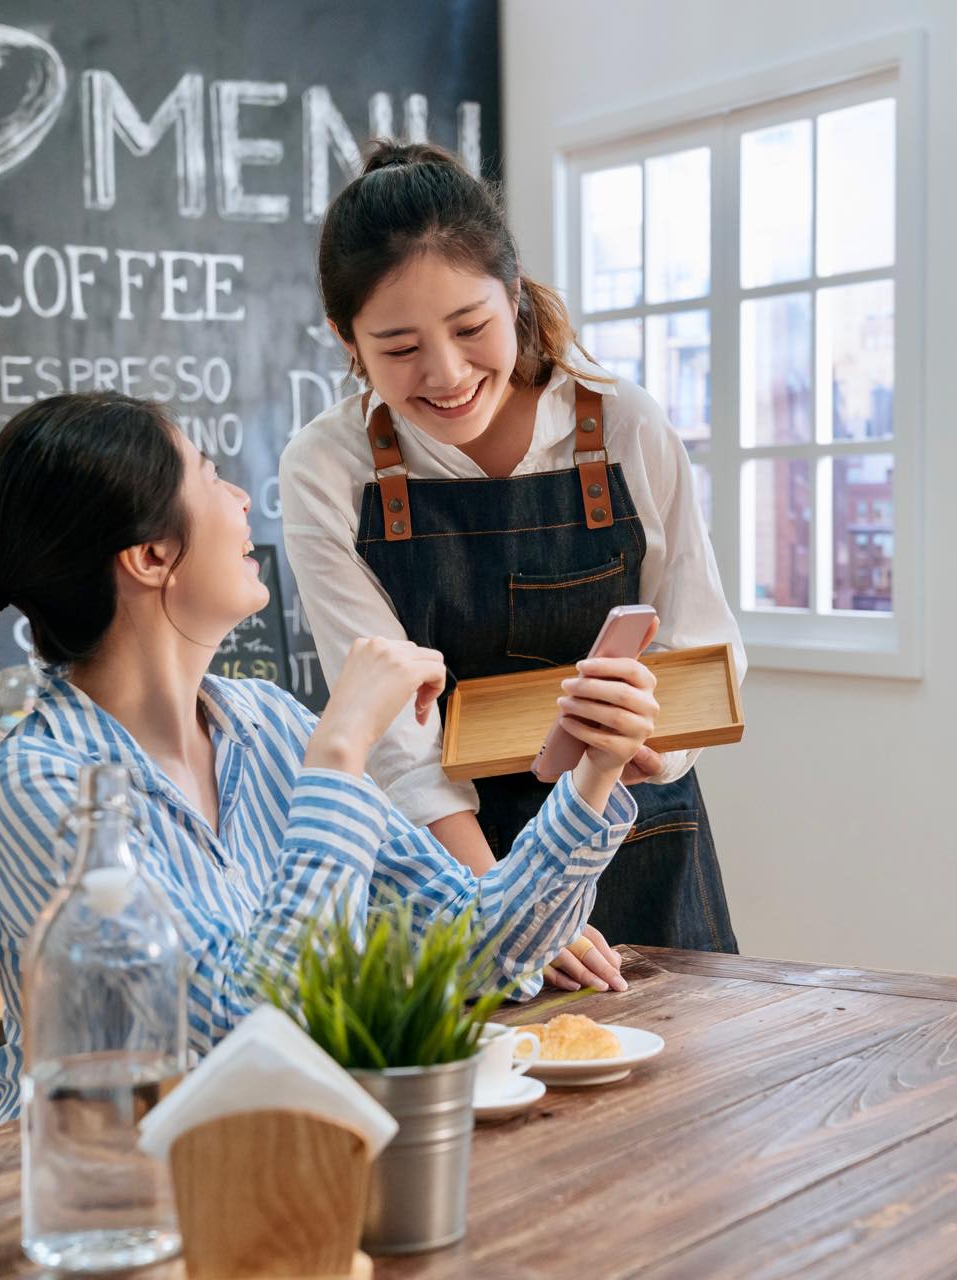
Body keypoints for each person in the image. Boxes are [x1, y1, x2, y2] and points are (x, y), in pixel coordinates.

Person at [0, 392, 658, 1122]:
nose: (242, 501)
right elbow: (246, 1036)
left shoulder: (267, 723)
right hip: (108, 1205)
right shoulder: (44, 786)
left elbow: (478, 947)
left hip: (275, 1173)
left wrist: (592, 774)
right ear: (150, 558)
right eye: (210, 478)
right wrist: (340, 752)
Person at [280, 141, 745, 989]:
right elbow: (392, 730)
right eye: (398, 346)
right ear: (346, 340)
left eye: (470, 328)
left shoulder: (624, 425)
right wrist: (507, 904)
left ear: (516, 291)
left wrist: (646, 742)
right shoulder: (328, 467)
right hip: (453, 866)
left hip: (640, 838)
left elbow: (702, 644)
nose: (447, 374)